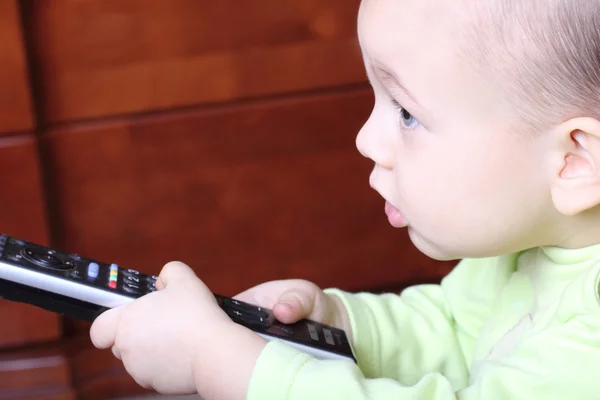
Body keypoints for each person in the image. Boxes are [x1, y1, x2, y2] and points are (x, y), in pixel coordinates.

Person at [89, 0, 600, 398]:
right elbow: (453, 330)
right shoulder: (534, 238)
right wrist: (342, 328)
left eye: (406, 114)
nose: (365, 140)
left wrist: (219, 361)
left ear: (575, 162)